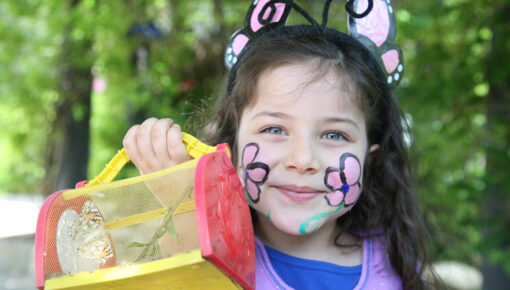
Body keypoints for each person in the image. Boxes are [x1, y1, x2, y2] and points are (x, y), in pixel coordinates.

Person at [123, 0, 436, 289]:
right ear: (230, 147)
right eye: (274, 129)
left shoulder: (396, 266)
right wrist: (176, 206)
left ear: (370, 160)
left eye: (334, 135)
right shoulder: (203, 259)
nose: (302, 159)